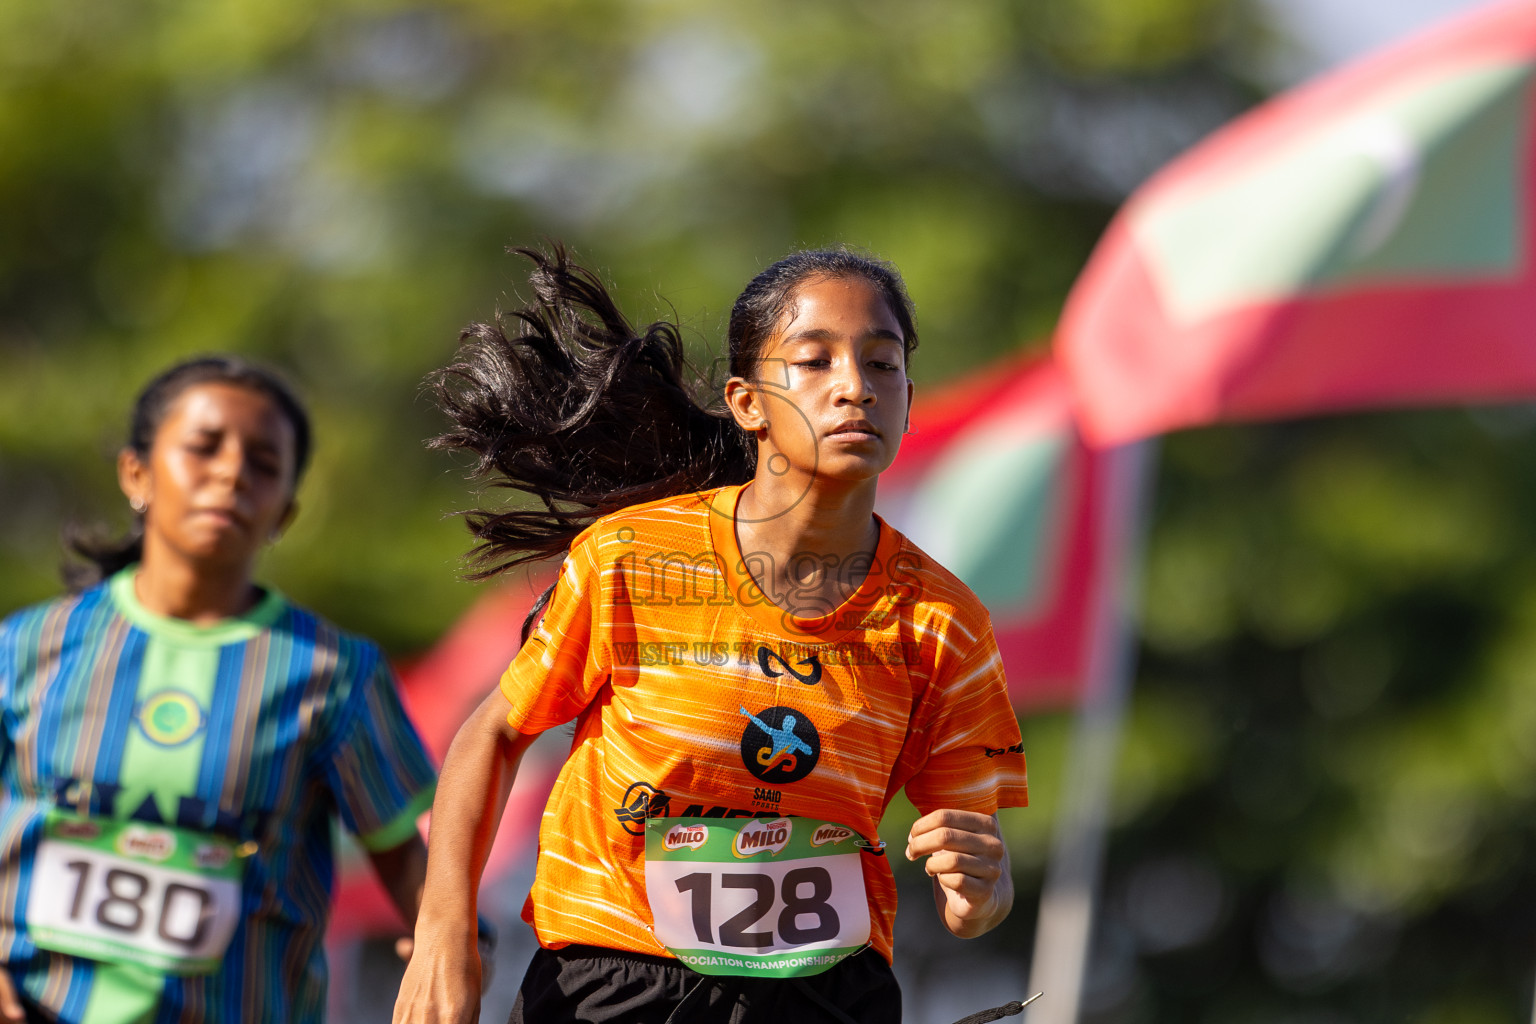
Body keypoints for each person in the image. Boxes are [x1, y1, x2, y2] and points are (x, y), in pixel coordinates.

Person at [394, 246, 1029, 1023]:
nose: (855, 387)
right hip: (614, 980)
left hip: (827, 995)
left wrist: (982, 888)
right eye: (814, 360)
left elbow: (979, 885)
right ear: (746, 401)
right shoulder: (630, 557)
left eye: (883, 363)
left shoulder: (944, 621)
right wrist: (442, 933)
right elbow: (492, 734)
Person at [0, 357, 441, 1023]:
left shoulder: (334, 673)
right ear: (136, 473)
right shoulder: (25, 649)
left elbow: (409, 864)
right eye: (203, 448)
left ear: (284, 512)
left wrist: (454, 939)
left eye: (263, 464)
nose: (233, 472)